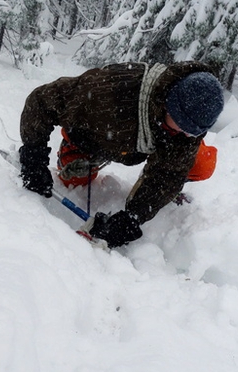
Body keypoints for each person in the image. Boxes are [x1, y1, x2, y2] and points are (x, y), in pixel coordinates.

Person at [18, 61, 225, 248]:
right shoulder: (106, 90)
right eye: (181, 125)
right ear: (168, 104)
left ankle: (167, 193)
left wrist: (133, 217)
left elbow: (170, 173)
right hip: (92, 137)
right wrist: (33, 154)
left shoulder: (186, 131)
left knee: (199, 163)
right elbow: (40, 101)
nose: (185, 134)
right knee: (74, 179)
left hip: (135, 145)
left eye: (193, 131)